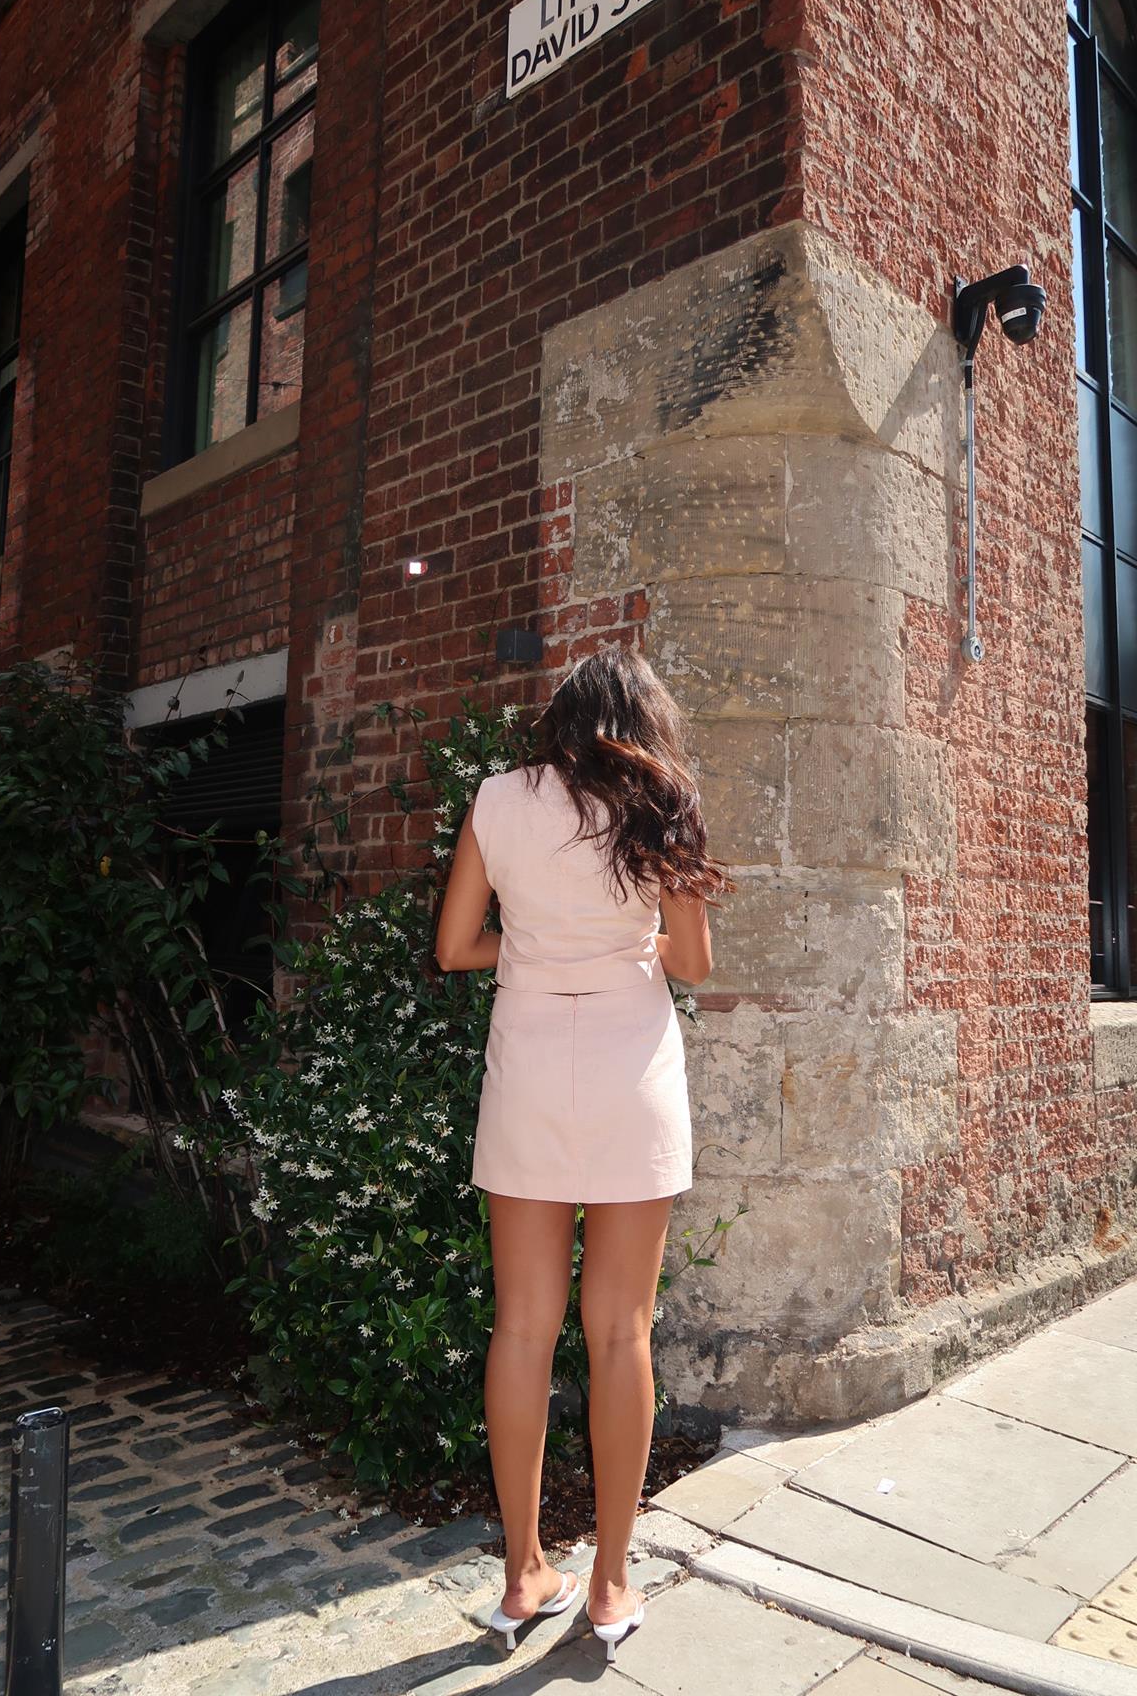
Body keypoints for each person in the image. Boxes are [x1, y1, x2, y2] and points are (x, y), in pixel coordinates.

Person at [434, 641, 734, 1662]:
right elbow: (694, 963)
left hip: (528, 1069)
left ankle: (524, 1573)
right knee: (620, 1333)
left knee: (522, 1328)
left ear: (560, 717)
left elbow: (453, 947)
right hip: (628, 1076)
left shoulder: (497, 799)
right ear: (643, 721)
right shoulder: (662, 802)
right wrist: (631, 944)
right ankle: (609, 1582)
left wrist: (529, 948)